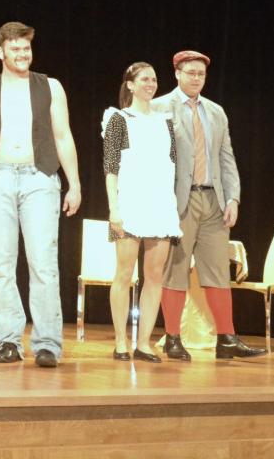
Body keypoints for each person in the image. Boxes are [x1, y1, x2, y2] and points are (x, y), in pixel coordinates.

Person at [0, 21, 81, 368]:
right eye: (15, 48)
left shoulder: (50, 86)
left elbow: (62, 135)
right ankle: (7, 341)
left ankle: (47, 344)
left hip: (39, 178)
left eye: (26, 48)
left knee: (43, 263)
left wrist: (74, 183)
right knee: (0, 265)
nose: (22, 54)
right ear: (0, 52)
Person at [156, 50, 265, 360]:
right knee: (175, 269)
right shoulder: (160, 107)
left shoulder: (216, 111)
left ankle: (226, 338)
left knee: (217, 270)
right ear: (177, 73)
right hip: (178, 200)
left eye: (201, 74)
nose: (196, 78)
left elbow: (226, 157)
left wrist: (233, 198)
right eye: (190, 72)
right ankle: (173, 337)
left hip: (213, 199)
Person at [101, 62, 182, 363]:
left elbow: (171, 165)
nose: (150, 84)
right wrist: (114, 208)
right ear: (131, 85)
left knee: (154, 275)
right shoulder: (119, 119)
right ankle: (120, 341)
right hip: (130, 203)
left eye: (154, 79)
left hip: (160, 204)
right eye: (144, 79)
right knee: (124, 273)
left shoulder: (165, 122)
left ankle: (144, 343)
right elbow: (111, 168)